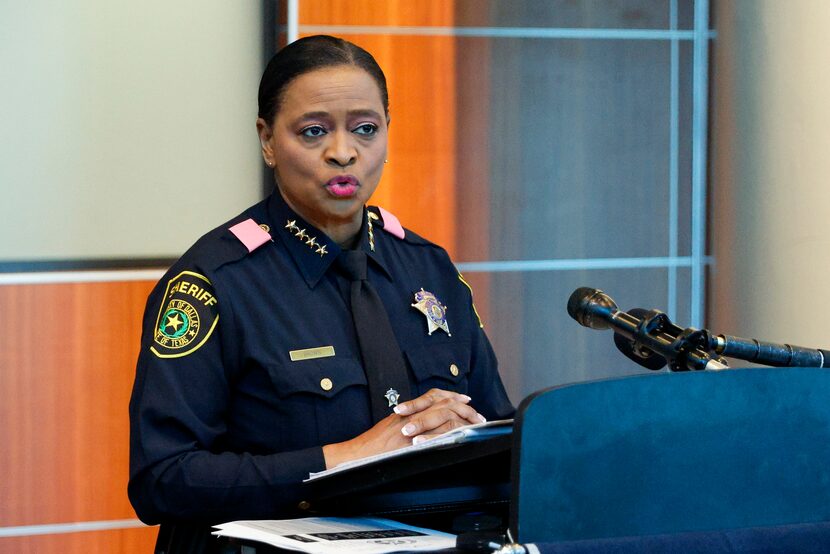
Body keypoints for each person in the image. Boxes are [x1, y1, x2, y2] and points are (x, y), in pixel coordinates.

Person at [128, 35, 514, 539]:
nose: (343, 153)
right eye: (313, 132)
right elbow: (163, 479)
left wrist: (462, 434)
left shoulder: (429, 268)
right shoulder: (212, 285)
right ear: (267, 140)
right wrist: (345, 457)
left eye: (365, 130)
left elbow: (501, 437)